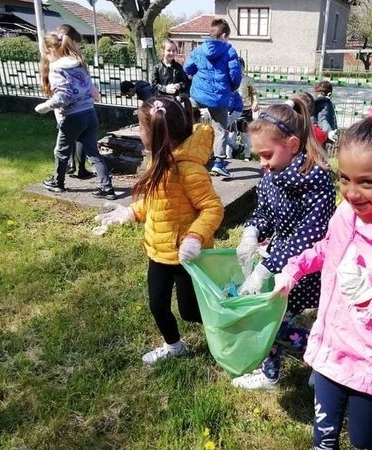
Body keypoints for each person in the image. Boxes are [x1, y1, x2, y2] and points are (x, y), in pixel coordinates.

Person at [273, 89, 372, 450]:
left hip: (371, 362)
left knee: (363, 439)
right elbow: (327, 249)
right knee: (324, 436)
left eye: (366, 182)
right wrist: (293, 270)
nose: (351, 192)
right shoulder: (347, 214)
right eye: (344, 178)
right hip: (332, 347)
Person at [93, 96, 224, 364]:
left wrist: (195, 237)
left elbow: (213, 208)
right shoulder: (159, 161)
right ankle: (174, 346)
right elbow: (156, 201)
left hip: (187, 257)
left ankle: (228, 330)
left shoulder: (189, 170)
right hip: (158, 251)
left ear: (153, 133)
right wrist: (131, 212)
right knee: (157, 305)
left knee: (191, 312)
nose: (138, 132)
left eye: (139, 127)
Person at [230, 97, 336, 390]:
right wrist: (251, 231)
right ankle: (271, 373)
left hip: (310, 266)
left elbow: (309, 236)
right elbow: (264, 211)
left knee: (272, 324)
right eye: (258, 156)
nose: (262, 163)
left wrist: (266, 268)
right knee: (273, 317)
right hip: (281, 260)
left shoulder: (316, 179)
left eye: (266, 155)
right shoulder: (271, 175)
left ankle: (324, 358)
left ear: (291, 144)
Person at [35, 31, 116, 199]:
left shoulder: (57, 69)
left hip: (72, 116)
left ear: (51, 50)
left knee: (61, 151)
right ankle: (107, 187)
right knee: (93, 152)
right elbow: (90, 89)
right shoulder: (79, 64)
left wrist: (45, 107)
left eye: (45, 52)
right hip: (89, 113)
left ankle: (58, 183)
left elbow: (64, 97)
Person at [184, 18, 242, 178]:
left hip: (198, 95)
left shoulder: (198, 49)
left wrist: (196, 76)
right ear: (223, 35)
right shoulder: (229, 51)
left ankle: (183, 152)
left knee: (186, 116)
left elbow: (187, 68)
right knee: (220, 130)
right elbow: (236, 75)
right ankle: (219, 163)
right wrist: (232, 88)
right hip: (218, 99)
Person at [56, 24, 95, 180]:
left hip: (71, 108)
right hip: (76, 108)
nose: (79, 46)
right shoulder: (72, 62)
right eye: (78, 43)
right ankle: (67, 171)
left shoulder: (64, 61)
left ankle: (71, 171)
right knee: (67, 142)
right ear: (71, 42)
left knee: (69, 141)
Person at [237, 57, 258, 160]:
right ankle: (229, 156)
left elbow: (254, 93)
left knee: (245, 134)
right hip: (232, 109)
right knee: (230, 133)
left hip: (246, 108)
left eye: (241, 67)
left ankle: (247, 155)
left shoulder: (248, 80)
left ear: (244, 68)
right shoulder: (230, 78)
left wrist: (255, 103)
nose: (239, 69)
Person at [225, 90, 244, 159]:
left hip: (234, 111)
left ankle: (236, 147)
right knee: (220, 131)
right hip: (232, 111)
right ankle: (237, 147)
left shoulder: (229, 89)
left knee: (219, 131)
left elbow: (230, 104)